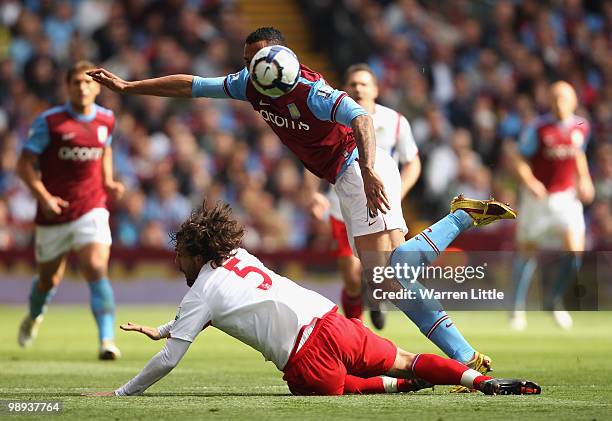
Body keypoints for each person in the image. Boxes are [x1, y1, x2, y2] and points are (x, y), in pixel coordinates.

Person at [88, 26, 517, 384]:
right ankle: (462, 263)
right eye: (247, 61)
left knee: (386, 281)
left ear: (277, 54)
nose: (249, 68)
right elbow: (192, 86)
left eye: (255, 59)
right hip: (345, 177)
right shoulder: (249, 83)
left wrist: (367, 171)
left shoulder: (311, 90)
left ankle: (461, 229)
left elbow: (362, 120)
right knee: (392, 279)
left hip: (357, 169)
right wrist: (129, 86)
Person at [88, 201, 540, 397]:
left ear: (194, 253)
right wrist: (165, 327)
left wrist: (124, 391)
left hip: (306, 359)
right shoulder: (239, 255)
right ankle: (477, 383)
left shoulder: (200, 293)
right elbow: (217, 305)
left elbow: (170, 359)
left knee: (335, 387)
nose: (176, 264)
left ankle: (400, 387)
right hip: (331, 321)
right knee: (404, 356)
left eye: (179, 256)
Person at [16, 60, 124, 360]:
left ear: (97, 87)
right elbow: (23, 166)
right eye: (77, 82)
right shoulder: (49, 122)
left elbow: (106, 150)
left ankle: (107, 340)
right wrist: (45, 197)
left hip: (92, 207)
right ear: (68, 86)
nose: (83, 87)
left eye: (89, 82)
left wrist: (109, 181)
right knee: (48, 279)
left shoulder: (107, 120)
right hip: (54, 213)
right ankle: (34, 316)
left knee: (96, 267)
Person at [307, 63, 421, 329]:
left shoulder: (395, 122)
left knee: (379, 273)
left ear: (376, 90)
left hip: (381, 206)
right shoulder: (333, 118)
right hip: (342, 205)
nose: (358, 88)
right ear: (345, 89)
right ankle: (358, 329)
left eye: (364, 84)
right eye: (353, 84)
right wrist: (314, 194)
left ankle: (371, 309)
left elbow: (413, 162)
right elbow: (315, 158)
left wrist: (397, 193)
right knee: (350, 274)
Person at [507, 81, 594, 330]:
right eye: (555, 97)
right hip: (539, 198)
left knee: (575, 250)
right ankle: (517, 308)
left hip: (566, 197)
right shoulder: (539, 128)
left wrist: (585, 179)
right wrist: (529, 180)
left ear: (574, 100)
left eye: (564, 97)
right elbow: (518, 156)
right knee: (528, 252)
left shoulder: (582, 126)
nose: (559, 102)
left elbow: (578, 154)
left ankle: (553, 299)